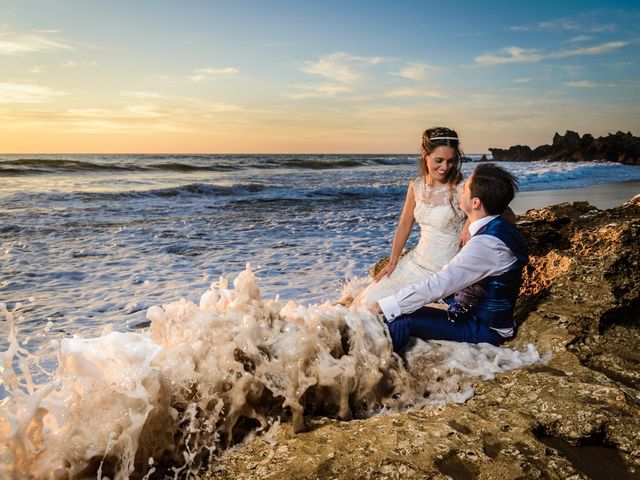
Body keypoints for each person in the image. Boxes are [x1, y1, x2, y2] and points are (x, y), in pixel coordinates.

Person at [373, 163, 528, 352]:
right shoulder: (498, 226)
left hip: (482, 328)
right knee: (407, 305)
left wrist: (384, 305)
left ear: (476, 203)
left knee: (399, 319)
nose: (460, 190)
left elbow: (439, 284)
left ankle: (387, 369)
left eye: (466, 188)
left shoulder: (486, 244)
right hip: (473, 311)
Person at [354, 127, 467, 308]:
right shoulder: (417, 186)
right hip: (415, 262)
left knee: (382, 308)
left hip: (442, 272)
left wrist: (470, 221)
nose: (445, 167)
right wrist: (393, 262)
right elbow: (404, 225)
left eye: (451, 161)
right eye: (439, 160)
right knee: (364, 301)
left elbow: (503, 212)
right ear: (425, 154)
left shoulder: (464, 188)